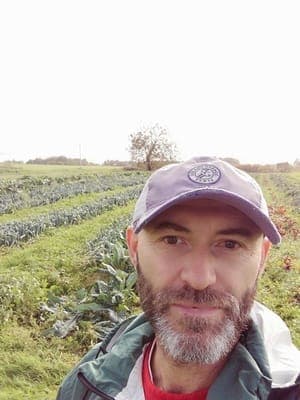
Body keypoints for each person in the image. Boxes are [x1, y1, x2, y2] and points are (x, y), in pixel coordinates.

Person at [56, 156, 300, 400]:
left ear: (262, 259)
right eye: (172, 240)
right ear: (134, 248)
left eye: (229, 244)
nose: (199, 278)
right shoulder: (87, 381)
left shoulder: (288, 389)